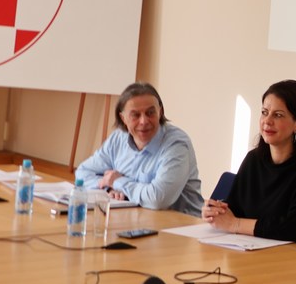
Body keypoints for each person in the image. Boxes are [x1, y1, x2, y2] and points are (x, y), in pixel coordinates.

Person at [202, 79, 296, 248]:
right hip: (249, 251)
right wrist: (215, 211)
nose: (267, 121)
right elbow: (235, 208)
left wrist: (235, 224)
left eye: (278, 115)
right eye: (264, 112)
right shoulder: (253, 159)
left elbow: (295, 229)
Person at [76, 82, 203, 216]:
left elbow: (158, 199)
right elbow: (83, 172)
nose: (144, 121)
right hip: (134, 217)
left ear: (160, 112)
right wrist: (109, 188)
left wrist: (117, 182)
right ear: (123, 118)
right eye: (135, 115)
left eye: (150, 113)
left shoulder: (176, 144)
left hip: (179, 223)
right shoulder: (118, 138)